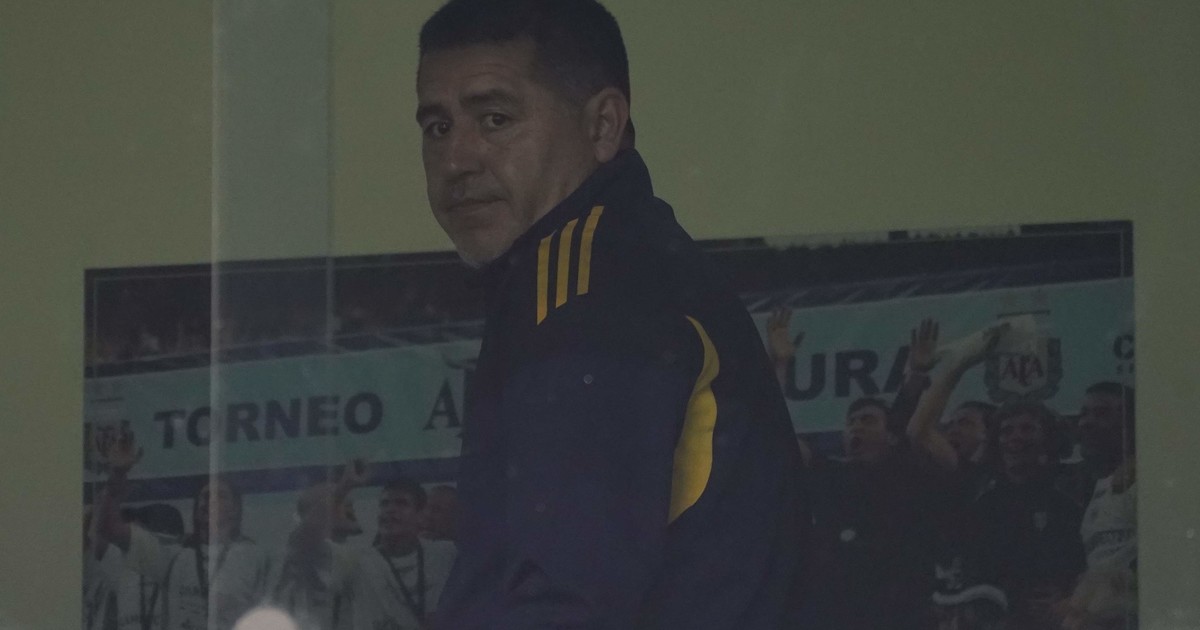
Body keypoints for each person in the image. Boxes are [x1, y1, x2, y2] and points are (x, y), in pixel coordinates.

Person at [414, 0, 803, 627]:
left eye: (495, 119)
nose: (457, 159)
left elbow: (562, 600)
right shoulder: (621, 257)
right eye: (437, 127)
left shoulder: (584, 287)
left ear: (602, 127)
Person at [95, 430, 272, 630]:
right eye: (204, 496)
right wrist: (118, 474)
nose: (209, 500)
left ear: (235, 509)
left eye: (220, 495)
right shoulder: (174, 557)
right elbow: (109, 528)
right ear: (196, 510)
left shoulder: (255, 558)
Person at [284, 473, 457, 630]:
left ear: (420, 514)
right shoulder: (358, 561)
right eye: (384, 504)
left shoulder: (444, 554)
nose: (390, 510)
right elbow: (301, 541)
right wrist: (345, 486)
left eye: (401, 503)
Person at [972, 403, 1085, 630]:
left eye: (1027, 428)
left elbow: (1083, 565)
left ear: (1047, 439)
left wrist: (1067, 598)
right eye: (1007, 430)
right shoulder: (982, 506)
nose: (1016, 437)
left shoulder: (1070, 501)